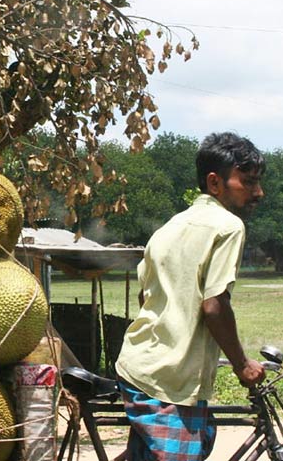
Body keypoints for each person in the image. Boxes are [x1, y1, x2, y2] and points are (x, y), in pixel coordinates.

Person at [115, 131, 267, 461]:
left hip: (141, 368)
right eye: (248, 182)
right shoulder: (228, 227)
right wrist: (242, 365)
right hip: (168, 380)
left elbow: (146, 299)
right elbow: (214, 306)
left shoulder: (168, 228)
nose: (258, 192)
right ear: (215, 183)